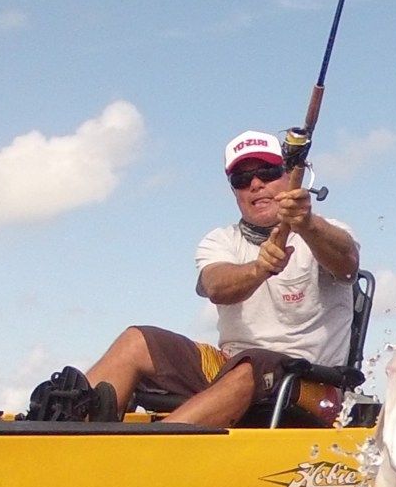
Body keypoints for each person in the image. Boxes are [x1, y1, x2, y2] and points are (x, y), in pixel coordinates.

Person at [27, 129, 360, 427]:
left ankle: (150, 453)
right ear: (235, 192)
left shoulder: (328, 231)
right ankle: (65, 434)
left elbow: (346, 263)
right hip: (229, 370)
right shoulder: (219, 240)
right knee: (136, 340)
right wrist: (259, 268)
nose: (256, 184)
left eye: (267, 173)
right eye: (242, 180)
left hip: (312, 387)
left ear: (290, 177)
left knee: (253, 365)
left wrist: (307, 224)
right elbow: (217, 286)